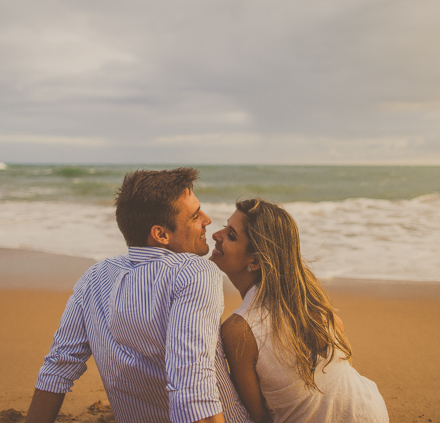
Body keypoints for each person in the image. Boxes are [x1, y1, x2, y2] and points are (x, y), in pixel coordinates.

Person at [25, 168, 252, 423]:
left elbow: (58, 366)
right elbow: (192, 383)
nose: (207, 220)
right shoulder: (194, 272)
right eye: (195, 216)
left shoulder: (94, 278)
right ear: (161, 234)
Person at [210, 199, 389, 422]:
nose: (216, 234)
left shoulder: (240, 329)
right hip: (370, 410)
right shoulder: (305, 299)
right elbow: (338, 329)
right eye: (226, 226)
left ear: (254, 260)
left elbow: (258, 416)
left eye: (231, 235)